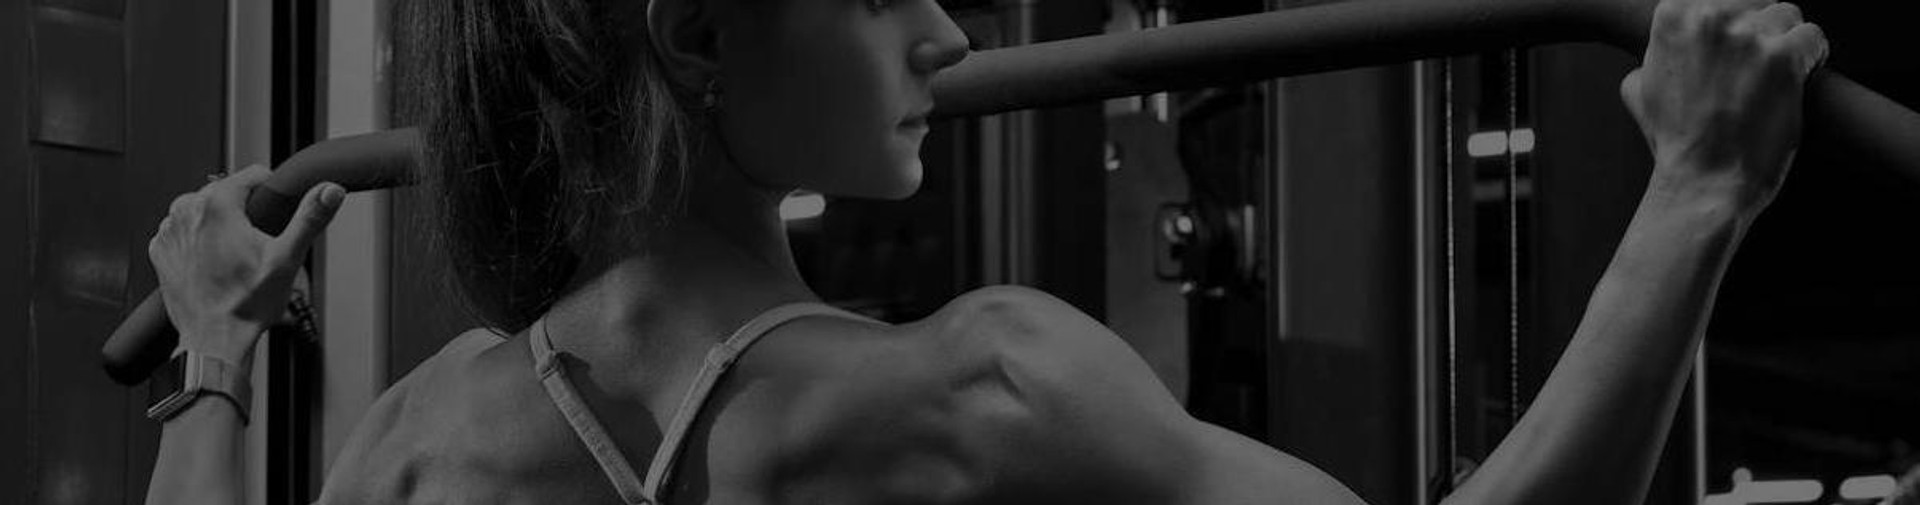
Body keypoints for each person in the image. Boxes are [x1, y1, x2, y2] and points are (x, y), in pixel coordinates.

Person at [141, 0, 1829, 502]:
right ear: (699, 34)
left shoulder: (421, 445)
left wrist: (215, 355)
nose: (944, 30)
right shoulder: (984, 390)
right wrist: (1695, 195)